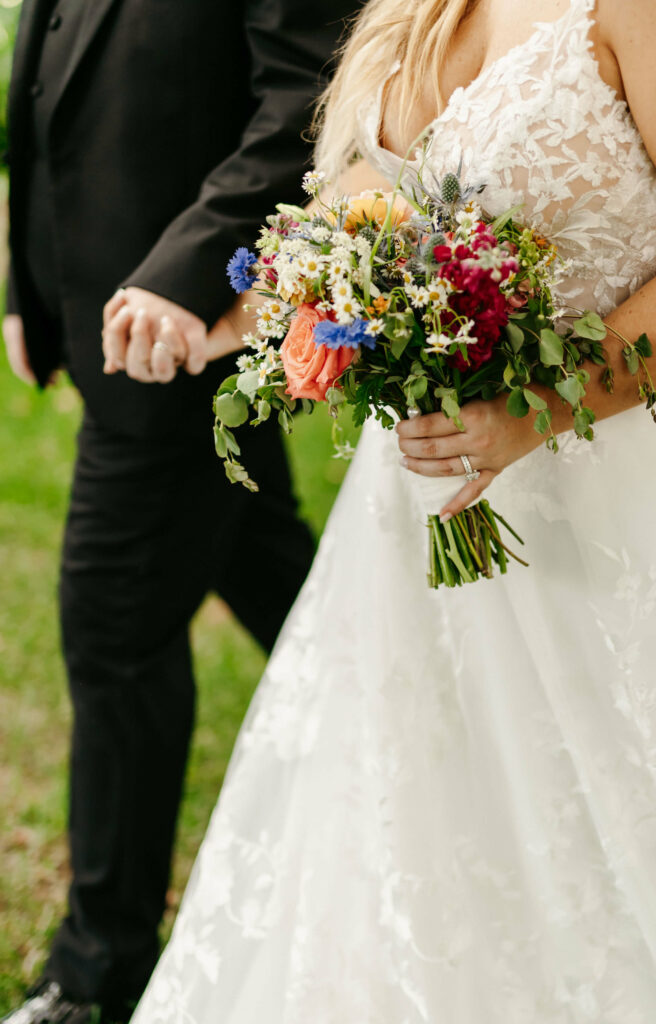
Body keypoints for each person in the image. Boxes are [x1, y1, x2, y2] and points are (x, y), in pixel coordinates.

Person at [116, 0, 656, 1020]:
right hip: (407, 541)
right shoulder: (404, 10)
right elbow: (351, 221)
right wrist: (254, 322)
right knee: (394, 842)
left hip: (612, 517)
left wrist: (537, 409)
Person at [1, 2, 362, 1023]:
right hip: (101, 311)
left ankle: (98, 970)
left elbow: (306, 99)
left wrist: (181, 278)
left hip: (188, 332)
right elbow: (45, 70)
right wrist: (35, 289)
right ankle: (432, 691)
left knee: (112, 626)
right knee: (261, 556)